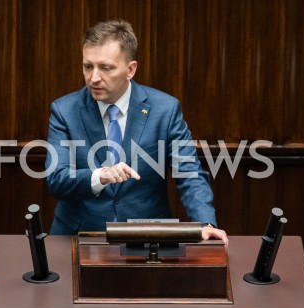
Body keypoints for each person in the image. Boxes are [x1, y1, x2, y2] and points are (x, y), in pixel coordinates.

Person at [45, 20, 228, 244]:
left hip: (148, 238)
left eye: (106, 68)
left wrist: (205, 223)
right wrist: (100, 175)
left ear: (130, 69)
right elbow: (56, 179)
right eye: (88, 66)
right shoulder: (64, 110)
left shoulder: (165, 110)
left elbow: (189, 173)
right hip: (79, 237)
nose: (93, 78)